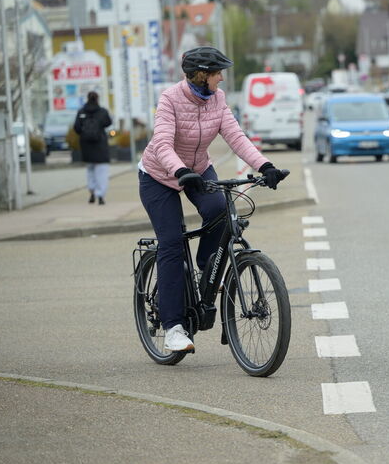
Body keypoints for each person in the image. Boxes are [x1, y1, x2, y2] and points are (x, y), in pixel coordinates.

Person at [138, 46, 288, 353]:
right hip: (159, 174)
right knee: (171, 242)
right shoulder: (170, 98)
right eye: (217, 73)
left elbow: (235, 136)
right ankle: (173, 327)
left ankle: (208, 265)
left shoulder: (217, 99)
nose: (221, 78)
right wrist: (180, 170)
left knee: (221, 210)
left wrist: (265, 166)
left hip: (197, 169)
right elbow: (162, 143)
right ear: (202, 75)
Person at [73, 91, 113, 205]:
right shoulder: (103, 112)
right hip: (100, 146)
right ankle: (100, 195)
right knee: (101, 171)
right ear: (97, 98)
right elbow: (108, 122)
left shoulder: (81, 112)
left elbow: (76, 128)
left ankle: (91, 191)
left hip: (86, 146)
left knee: (90, 170)